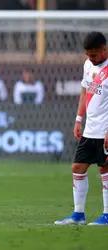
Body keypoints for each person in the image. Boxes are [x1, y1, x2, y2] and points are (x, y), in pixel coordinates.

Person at [55, 31, 108, 226]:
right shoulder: (88, 65)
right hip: (90, 129)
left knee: (105, 168)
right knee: (78, 167)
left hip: (105, 130)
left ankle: (107, 215)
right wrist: (78, 119)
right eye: (87, 54)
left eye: (93, 55)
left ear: (104, 50)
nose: (90, 58)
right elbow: (85, 91)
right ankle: (78, 215)